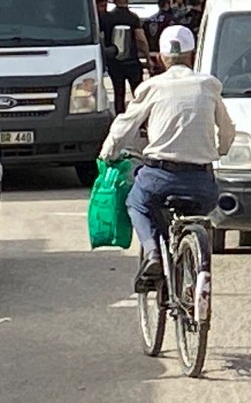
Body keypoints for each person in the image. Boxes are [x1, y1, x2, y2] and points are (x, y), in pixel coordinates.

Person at [99, 26, 235, 290]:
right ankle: (192, 261)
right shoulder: (208, 85)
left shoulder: (153, 86)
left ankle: (153, 253)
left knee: (137, 203)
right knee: (200, 212)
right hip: (201, 181)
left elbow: (123, 127)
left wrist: (108, 155)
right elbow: (228, 130)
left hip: (160, 177)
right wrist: (221, 150)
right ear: (192, 55)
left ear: (161, 58)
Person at [100, 0, 150, 115]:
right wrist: (148, 57)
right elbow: (140, 38)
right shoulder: (132, 17)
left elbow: (100, 38)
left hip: (114, 62)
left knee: (119, 92)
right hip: (132, 61)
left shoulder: (106, 18)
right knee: (138, 93)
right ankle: (142, 119)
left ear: (114, 1)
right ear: (127, 0)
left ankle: (120, 118)